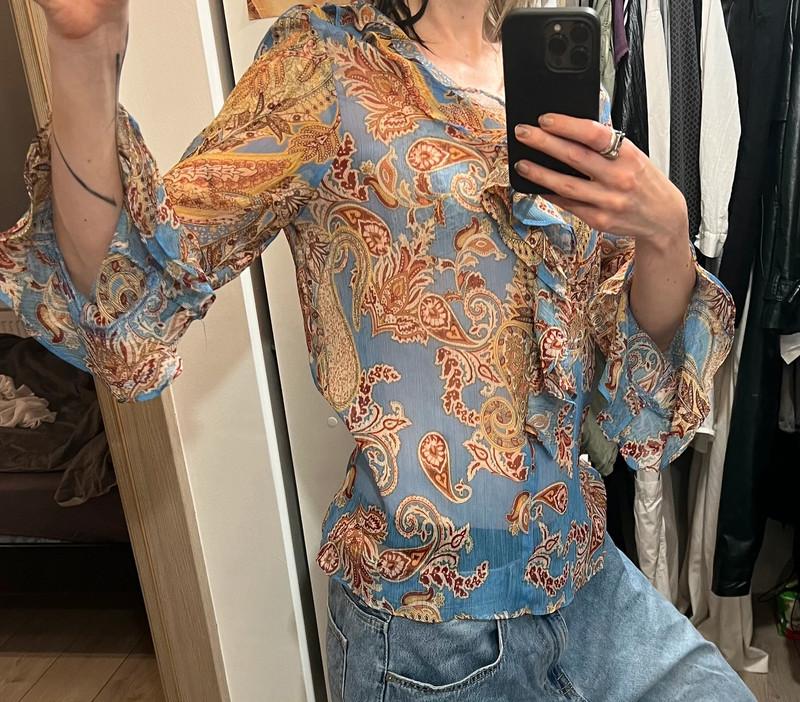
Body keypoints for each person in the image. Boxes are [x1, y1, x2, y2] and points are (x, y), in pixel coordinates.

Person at [0, 1, 754, 700]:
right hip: (429, 634)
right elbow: (122, 289)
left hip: (585, 578)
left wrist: (666, 233)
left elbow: (631, 378)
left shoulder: (554, 71)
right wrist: (84, 50)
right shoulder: (324, 65)